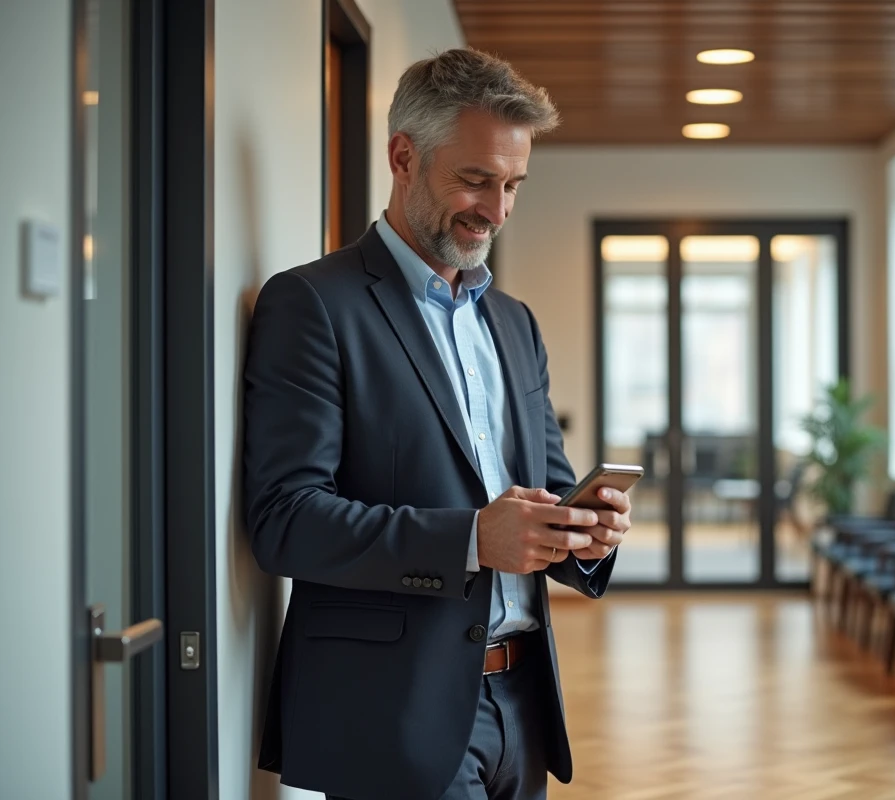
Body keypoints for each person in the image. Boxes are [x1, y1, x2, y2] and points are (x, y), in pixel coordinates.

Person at [242, 48, 630, 800]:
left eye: (514, 184)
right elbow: (284, 520)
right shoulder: (314, 306)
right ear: (403, 157)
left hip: (524, 705)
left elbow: (545, 491)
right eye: (477, 179)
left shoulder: (514, 324)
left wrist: (584, 532)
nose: (499, 209)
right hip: (394, 715)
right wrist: (471, 540)